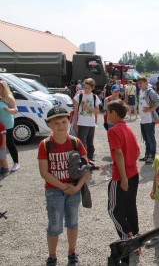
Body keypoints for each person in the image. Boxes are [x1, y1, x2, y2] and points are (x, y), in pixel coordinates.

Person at [37, 107, 89, 266]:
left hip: (74, 189)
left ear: (69, 122)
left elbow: (86, 167)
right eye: (56, 122)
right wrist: (65, 187)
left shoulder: (75, 142)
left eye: (64, 121)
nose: (61, 125)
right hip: (54, 191)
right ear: (49, 124)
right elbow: (44, 172)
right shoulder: (45, 144)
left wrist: (78, 187)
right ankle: (52, 255)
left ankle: (72, 252)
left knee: (73, 222)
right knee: (54, 224)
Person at [106, 99, 141, 265]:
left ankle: (128, 239)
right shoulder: (128, 128)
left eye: (107, 112)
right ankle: (136, 237)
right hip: (134, 172)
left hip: (121, 176)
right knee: (129, 207)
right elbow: (138, 150)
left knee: (113, 210)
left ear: (114, 113)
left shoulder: (113, 131)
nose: (106, 115)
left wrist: (123, 177)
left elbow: (118, 154)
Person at [73, 78, 101, 161]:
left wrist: (88, 108)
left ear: (92, 88)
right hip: (81, 123)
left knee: (90, 143)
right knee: (81, 142)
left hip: (91, 123)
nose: (86, 90)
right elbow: (75, 110)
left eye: (88, 88)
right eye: (85, 87)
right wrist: (75, 122)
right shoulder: (79, 96)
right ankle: (82, 160)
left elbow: (97, 111)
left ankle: (90, 159)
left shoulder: (95, 97)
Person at [137, 75, 159, 164]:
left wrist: (151, 109)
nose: (139, 85)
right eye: (138, 83)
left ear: (146, 83)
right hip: (143, 119)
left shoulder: (149, 91)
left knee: (151, 138)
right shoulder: (140, 91)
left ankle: (152, 155)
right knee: (145, 138)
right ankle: (147, 154)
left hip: (149, 119)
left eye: (141, 83)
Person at [0, 81, 19, 172]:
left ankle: (16, 162)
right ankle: (3, 164)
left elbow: (15, 110)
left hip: (7, 123)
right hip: (0, 124)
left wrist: (8, 110)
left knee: (9, 143)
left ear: (4, 88)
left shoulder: (8, 97)